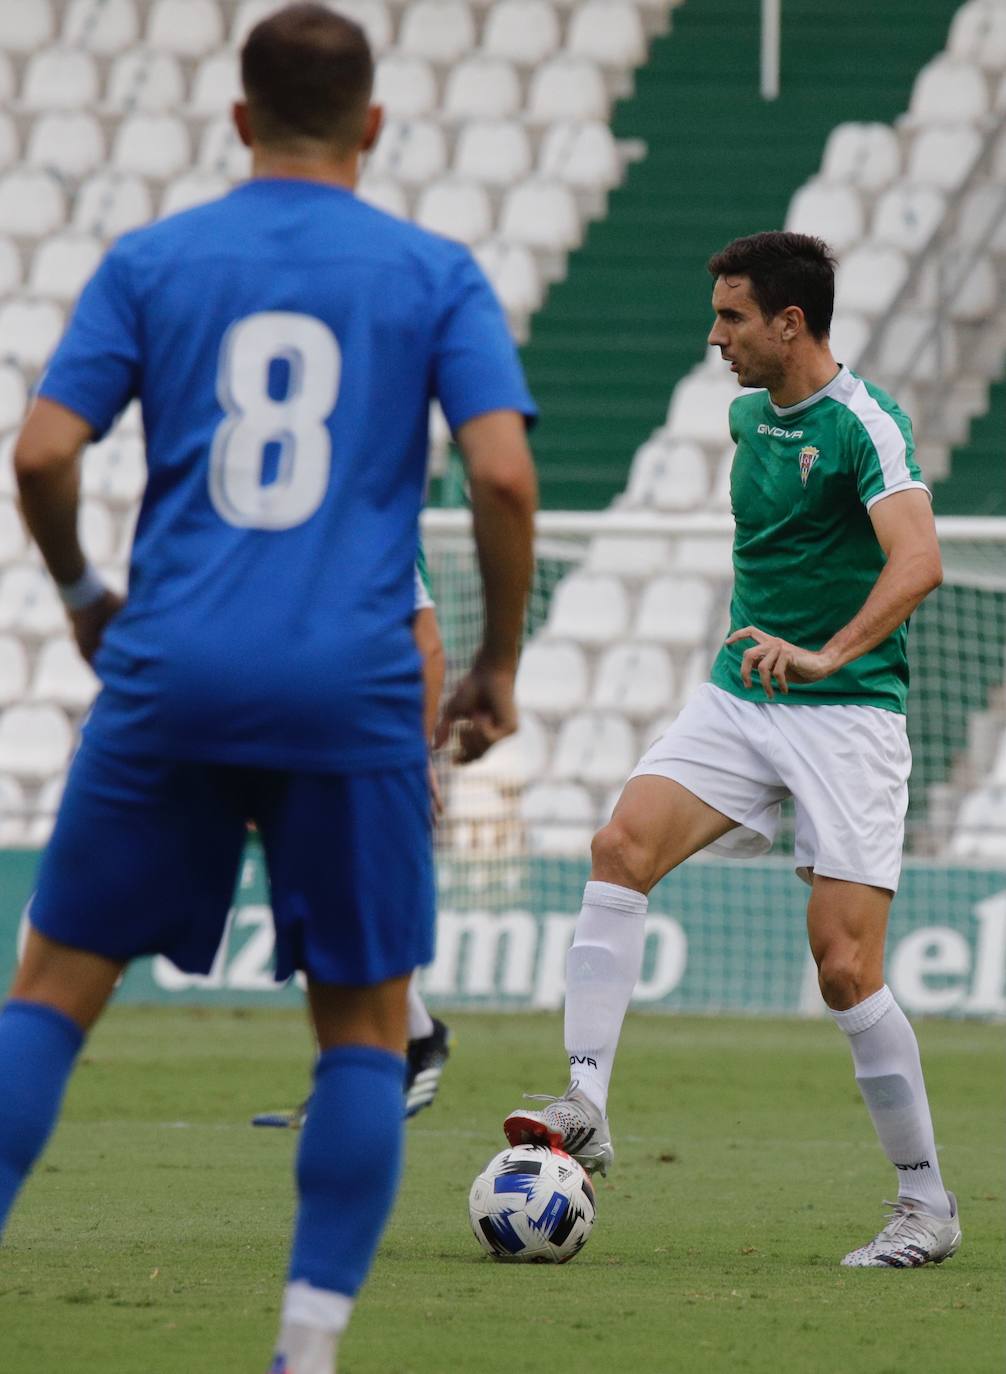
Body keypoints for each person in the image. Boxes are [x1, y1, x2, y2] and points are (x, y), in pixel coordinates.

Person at [0, 7, 537, 1374]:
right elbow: (501, 476)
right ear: (372, 124)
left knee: (51, 994)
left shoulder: (153, 261)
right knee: (362, 1025)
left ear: (237, 120)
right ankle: (304, 1351)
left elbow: (45, 452)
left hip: (168, 669)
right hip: (349, 689)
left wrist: (79, 598)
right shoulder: (431, 272)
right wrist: (495, 662)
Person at [503, 230, 961, 1271]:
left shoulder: (864, 425)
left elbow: (919, 560)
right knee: (620, 848)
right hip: (741, 697)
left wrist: (827, 652)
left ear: (789, 323)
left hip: (846, 713)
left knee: (844, 969)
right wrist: (776, 658)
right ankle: (584, 1103)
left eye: (731, 318)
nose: (715, 338)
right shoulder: (747, 417)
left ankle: (924, 1204)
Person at [252, 558, 452, 1129]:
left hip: (365, 740)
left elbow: (428, 644)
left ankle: (382, 1064)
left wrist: (414, 754)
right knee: (319, 904)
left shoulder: (373, 512)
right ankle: (408, 1042)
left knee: (352, 904)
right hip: (309, 730)